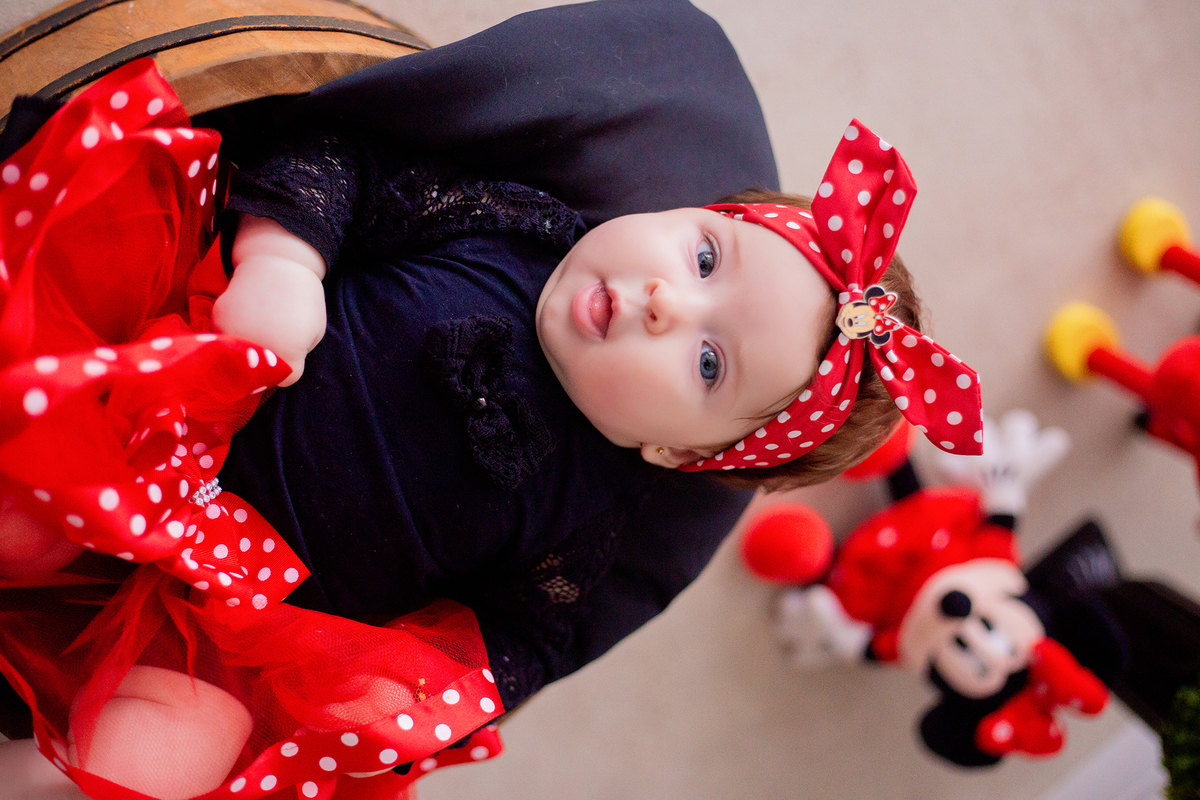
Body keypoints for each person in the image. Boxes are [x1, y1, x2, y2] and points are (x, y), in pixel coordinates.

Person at [0, 8, 982, 800]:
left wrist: (454, 697)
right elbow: (343, 162)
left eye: (710, 362)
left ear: (683, 455)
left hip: (233, 622)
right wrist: (286, 259)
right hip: (160, 415)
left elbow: (522, 637)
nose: (664, 301)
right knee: (28, 500)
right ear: (693, 213)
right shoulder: (512, 223)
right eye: (704, 255)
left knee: (161, 756)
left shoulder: (592, 520)